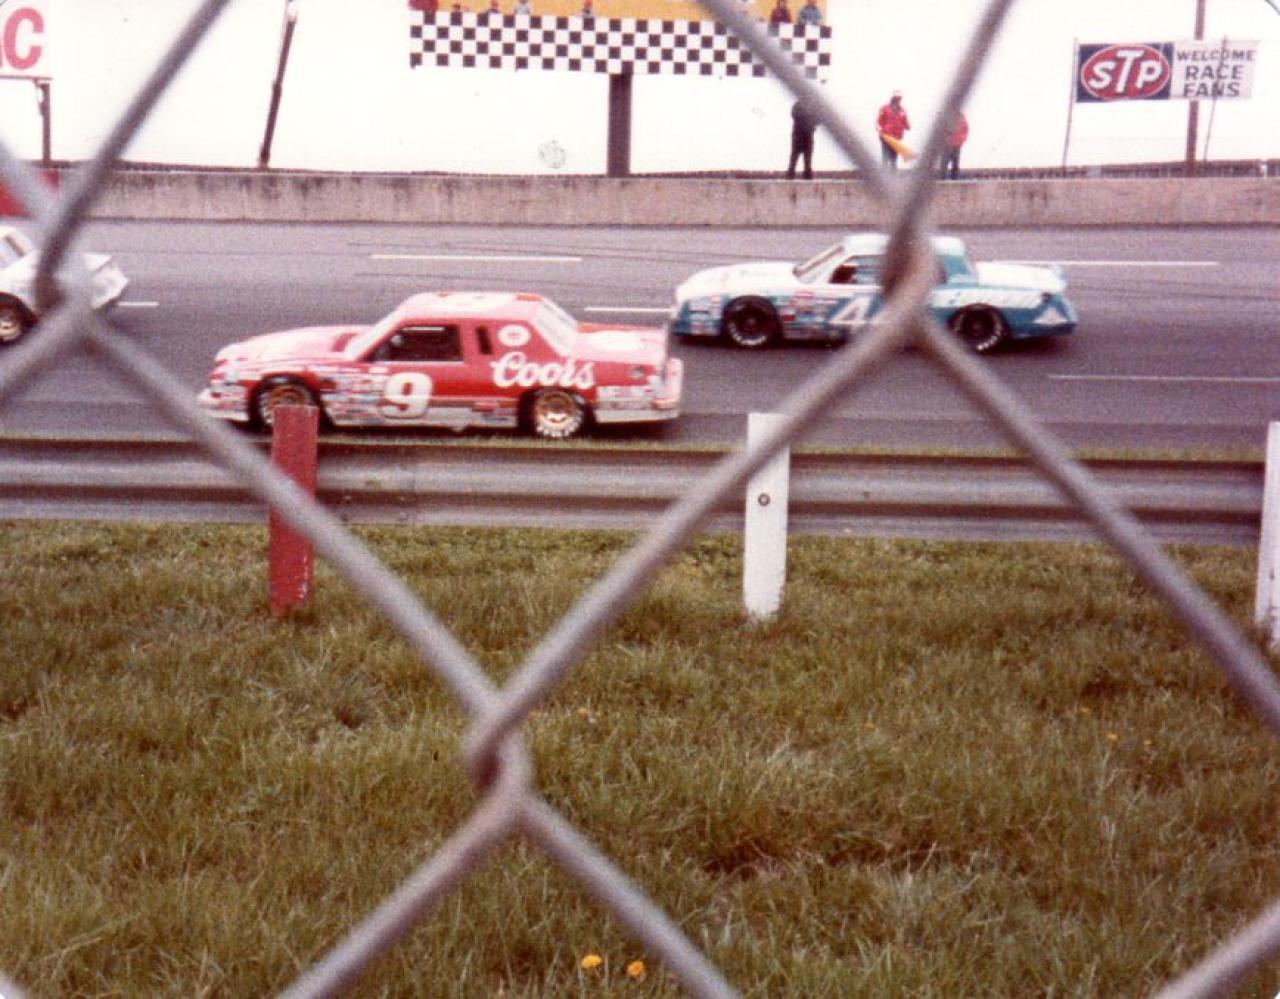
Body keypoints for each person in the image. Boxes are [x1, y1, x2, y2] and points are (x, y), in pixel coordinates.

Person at [876, 90, 910, 169]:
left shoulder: (902, 111)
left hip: (896, 138)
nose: (897, 100)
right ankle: (884, 173)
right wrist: (880, 132)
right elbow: (878, 122)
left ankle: (893, 173)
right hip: (886, 137)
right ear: (892, 98)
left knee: (894, 158)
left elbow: (906, 124)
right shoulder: (884, 108)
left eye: (899, 98)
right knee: (885, 157)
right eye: (896, 98)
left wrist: (906, 126)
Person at [786, 99, 816, 180]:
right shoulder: (799, 105)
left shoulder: (802, 106)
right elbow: (794, 115)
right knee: (796, 156)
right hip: (799, 134)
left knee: (806, 157)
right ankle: (793, 174)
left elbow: (818, 118)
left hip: (805, 134)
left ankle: (805, 174)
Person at [941, 110, 968, 180]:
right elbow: (941, 130)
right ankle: (942, 179)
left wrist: (961, 141)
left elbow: (965, 131)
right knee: (944, 163)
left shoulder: (961, 118)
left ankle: (954, 179)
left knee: (955, 164)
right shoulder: (946, 117)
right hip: (947, 145)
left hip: (956, 145)